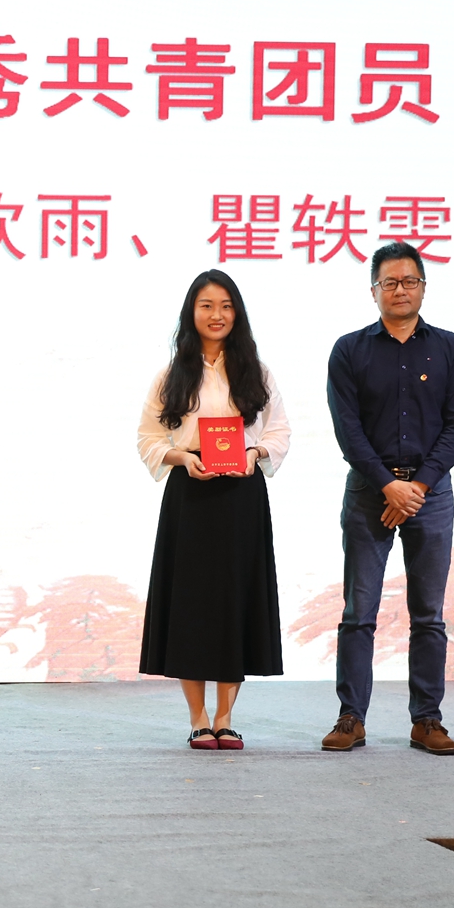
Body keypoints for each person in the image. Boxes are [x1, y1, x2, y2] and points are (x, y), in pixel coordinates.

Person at [323, 241, 454, 756]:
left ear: (424, 288)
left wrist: (417, 487)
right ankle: (351, 718)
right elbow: (348, 432)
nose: (400, 290)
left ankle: (427, 720)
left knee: (428, 615)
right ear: (374, 291)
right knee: (358, 611)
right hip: (370, 492)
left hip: (431, 494)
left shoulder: (451, 349)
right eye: (390, 282)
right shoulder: (349, 350)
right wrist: (389, 486)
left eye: (410, 281)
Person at [135, 270, 291, 750]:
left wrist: (254, 453)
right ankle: (198, 718)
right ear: (192, 313)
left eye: (225, 305)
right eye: (206, 305)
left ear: (236, 313)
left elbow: (279, 432)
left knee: (235, 602)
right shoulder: (172, 375)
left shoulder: (257, 372)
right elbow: (148, 438)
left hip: (242, 497)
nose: (216, 315)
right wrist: (182, 458)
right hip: (191, 497)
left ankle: (226, 717)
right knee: (191, 606)